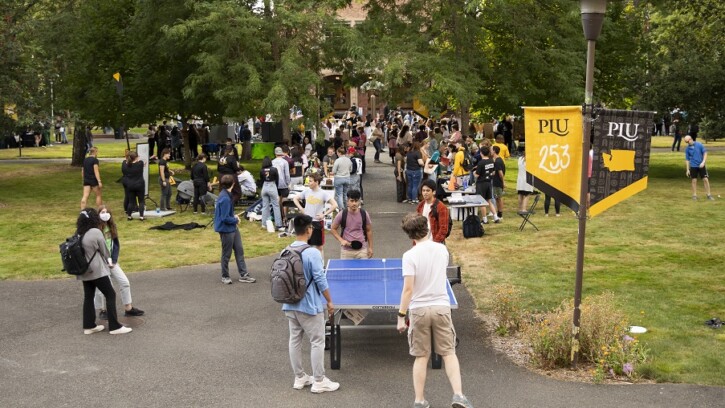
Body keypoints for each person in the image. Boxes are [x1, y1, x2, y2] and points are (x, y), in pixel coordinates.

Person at [396, 213, 472, 408]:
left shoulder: (408, 256)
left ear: (410, 235)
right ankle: (458, 395)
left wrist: (400, 316)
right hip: (441, 307)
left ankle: (419, 401)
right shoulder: (442, 250)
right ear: (428, 228)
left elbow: (408, 289)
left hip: (419, 310)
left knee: (421, 356)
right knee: (448, 353)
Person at [282, 214, 339, 393]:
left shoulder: (285, 250)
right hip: (309, 305)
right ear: (308, 230)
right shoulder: (312, 252)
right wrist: (329, 300)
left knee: (295, 340)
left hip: (290, 304)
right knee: (317, 342)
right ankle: (319, 381)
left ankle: (299, 378)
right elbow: (320, 280)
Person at [75, 208, 132, 335]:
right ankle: (114, 326)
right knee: (110, 294)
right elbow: (105, 250)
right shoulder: (95, 232)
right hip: (97, 270)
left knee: (88, 297)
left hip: (84, 270)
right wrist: (110, 261)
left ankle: (89, 325)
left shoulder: (79, 232)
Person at [94, 205, 145, 319]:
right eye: (102, 212)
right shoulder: (96, 229)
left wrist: (114, 260)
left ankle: (128, 308)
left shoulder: (112, 227)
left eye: (107, 212)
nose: (105, 214)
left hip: (112, 261)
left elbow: (115, 245)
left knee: (125, 282)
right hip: (100, 263)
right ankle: (103, 310)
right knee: (105, 288)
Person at [213, 174, 256, 284]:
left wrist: (234, 217)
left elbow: (227, 214)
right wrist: (235, 220)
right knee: (226, 253)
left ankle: (243, 274)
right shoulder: (225, 198)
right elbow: (224, 218)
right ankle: (225, 276)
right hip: (226, 229)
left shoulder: (226, 195)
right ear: (233, 183)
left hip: (232, 228)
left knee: (239, 250)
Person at [293, 172, 338, 254]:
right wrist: (301, 209)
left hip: (317, 223)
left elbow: (335, 205)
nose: (308, 183)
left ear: (316, 182)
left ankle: (321, 265)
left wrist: (324, 214)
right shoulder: (306, 192)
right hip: (307, 222)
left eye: (310, 181)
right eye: (308, 181)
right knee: (306, 246)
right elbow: (295, 199)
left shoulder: (323, 193)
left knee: (319, 247)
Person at [329, 189, 373, 259]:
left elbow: (368, 230)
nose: (354, 203)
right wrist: (341, 240)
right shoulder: (342, 214)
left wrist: (370, 247)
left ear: (359, 202)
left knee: (363, 270)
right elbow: (333, 229)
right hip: (346, 252)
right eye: (352, 201)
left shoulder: (364, 214)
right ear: (347, 202)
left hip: (362, 250)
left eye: (356, 201)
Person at [416, 179, 450, 244]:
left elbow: (443, 229)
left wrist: (434, 244)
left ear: (434, 192)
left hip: (435, 243)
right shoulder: (420, 206)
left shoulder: (441, 207)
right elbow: (417, 226)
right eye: (423, 190)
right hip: (421, 243)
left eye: (428, 190)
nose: (425, 193)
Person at [474, 146, 501, 224]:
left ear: (481, 153)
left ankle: (485, 219)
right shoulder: (491, 161)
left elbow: (477, 175)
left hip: (481, 183)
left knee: (482, 202)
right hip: (489, 182)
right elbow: (493, 172)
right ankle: (496, 217)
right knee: (489, 200)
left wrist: (474, 172)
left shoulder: (481, 162)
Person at [684, 135, 715, 200]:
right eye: (686, 142)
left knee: (705, 180)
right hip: (693, 166)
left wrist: (703, 162)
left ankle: (709, 195)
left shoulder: (699, 144)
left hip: (701, 165)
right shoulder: (687, 149)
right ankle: (694, 195)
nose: (687, 143)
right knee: (694, 180)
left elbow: (705, 153)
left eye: (687, 142)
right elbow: (687, 159)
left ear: (690, 139)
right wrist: (687, 169)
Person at [260, 157, 285, 231]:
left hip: (264, 186)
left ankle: (264, 223)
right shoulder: (274, 169)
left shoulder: (261, 170)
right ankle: (278, 225)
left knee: (265, 206)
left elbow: (261, 180)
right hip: (272, 185)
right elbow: (277, 179)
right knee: (276, 206)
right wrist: (276, 188)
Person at [122, 151, 146, 221]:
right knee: (141, 200)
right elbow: (143, 162)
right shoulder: (140, 164)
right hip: (139, 185)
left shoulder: (125, 165)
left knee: (131, 202)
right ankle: (141, 216)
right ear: (136, 157)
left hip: (130, 185)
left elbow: (125, 162)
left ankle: (129, 216)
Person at [272, 147, 292, 223]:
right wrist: (288, 183)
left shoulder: (272, 162)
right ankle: (285, 217)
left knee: (277, 201)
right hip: (283, 184)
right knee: (284, 201)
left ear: (275, 153)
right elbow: (287, 174)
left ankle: (278, 217)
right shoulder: (285, 162)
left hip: (275, 184)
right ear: (282, 153)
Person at [516, 145, 535, 212]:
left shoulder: (520, 159)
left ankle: (520, 208)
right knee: (526, 195)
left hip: (520, 178)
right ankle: (524, 209)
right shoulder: (530, 160)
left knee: (520, 194)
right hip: (527, 179)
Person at [491, 145, 506, 220]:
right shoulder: (498, 160)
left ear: (494, 151)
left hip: (498, 182)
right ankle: (498, 213)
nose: (490, 151)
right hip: (496, 181)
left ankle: (500, 214)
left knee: (499, 198)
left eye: (491, 150)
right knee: (497, 198)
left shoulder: (497, 161)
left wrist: (503, 182)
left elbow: (500, 173)